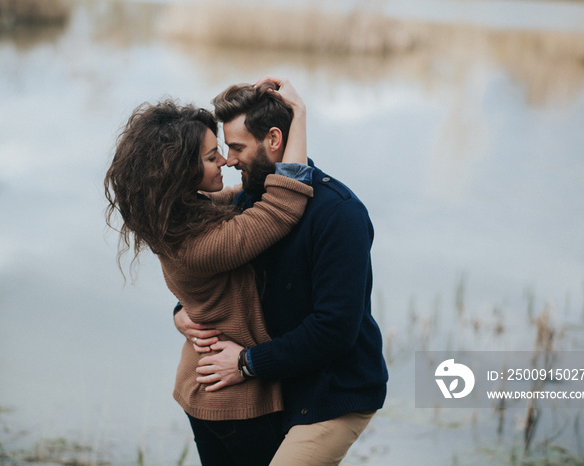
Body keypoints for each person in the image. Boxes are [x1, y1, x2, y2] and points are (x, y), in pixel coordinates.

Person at [175, 76, 388, 465]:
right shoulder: (252, 201)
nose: (229, 160)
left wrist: (246, 363)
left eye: (237, 147)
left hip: (332, 389)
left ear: (274, 140)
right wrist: (182, 313)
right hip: (277, 384)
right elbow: (212, 267)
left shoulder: (340, 215)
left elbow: (335, 329)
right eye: (223, 149)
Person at [104, 81, 313, 466]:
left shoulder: (174, 214)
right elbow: (282, 205)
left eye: (223, 152)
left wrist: (180, 314)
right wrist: (298, 117)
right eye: (212, 157)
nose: (224, 162)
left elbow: (239, 196)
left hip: (200, 385)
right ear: (181, 172)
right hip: (234, 401)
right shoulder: (201, 245)